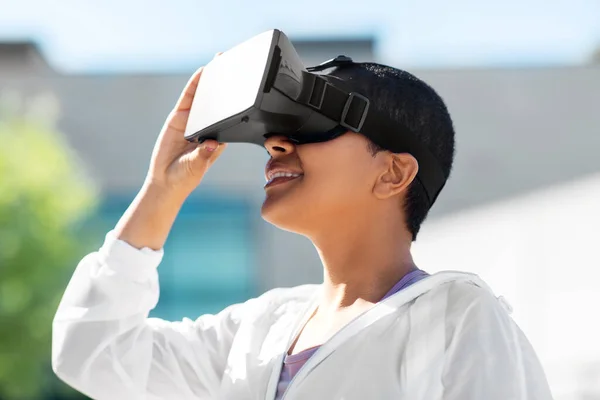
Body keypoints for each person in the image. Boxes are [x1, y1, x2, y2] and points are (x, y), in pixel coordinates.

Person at [52, 60, 553, 400]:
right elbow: (92, 352)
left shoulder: (456, 315)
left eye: (311, 125)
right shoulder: (261, 328)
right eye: (273, 132)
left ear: (393, 173)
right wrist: (160, 191)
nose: (274, 144)